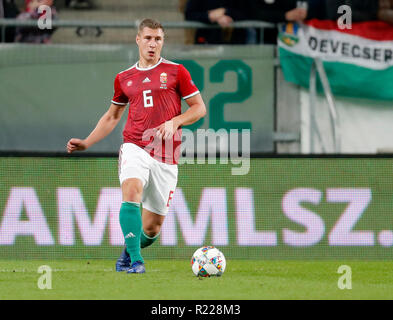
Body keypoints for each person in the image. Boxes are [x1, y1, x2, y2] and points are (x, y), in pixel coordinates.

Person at [66, 18, 206, 274]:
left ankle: (128, 255)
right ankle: (137, 262)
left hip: (167, 154)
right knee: (131, 190)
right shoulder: (124, 78)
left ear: (163, 41)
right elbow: (112, 117)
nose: (153, 44)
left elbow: (199, 108)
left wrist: (176, 121)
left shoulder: (177, 71)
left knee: (152, 229)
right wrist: (87, 142)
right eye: (149, 38)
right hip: (136, 145)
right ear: (138, 40)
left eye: (158, 39)